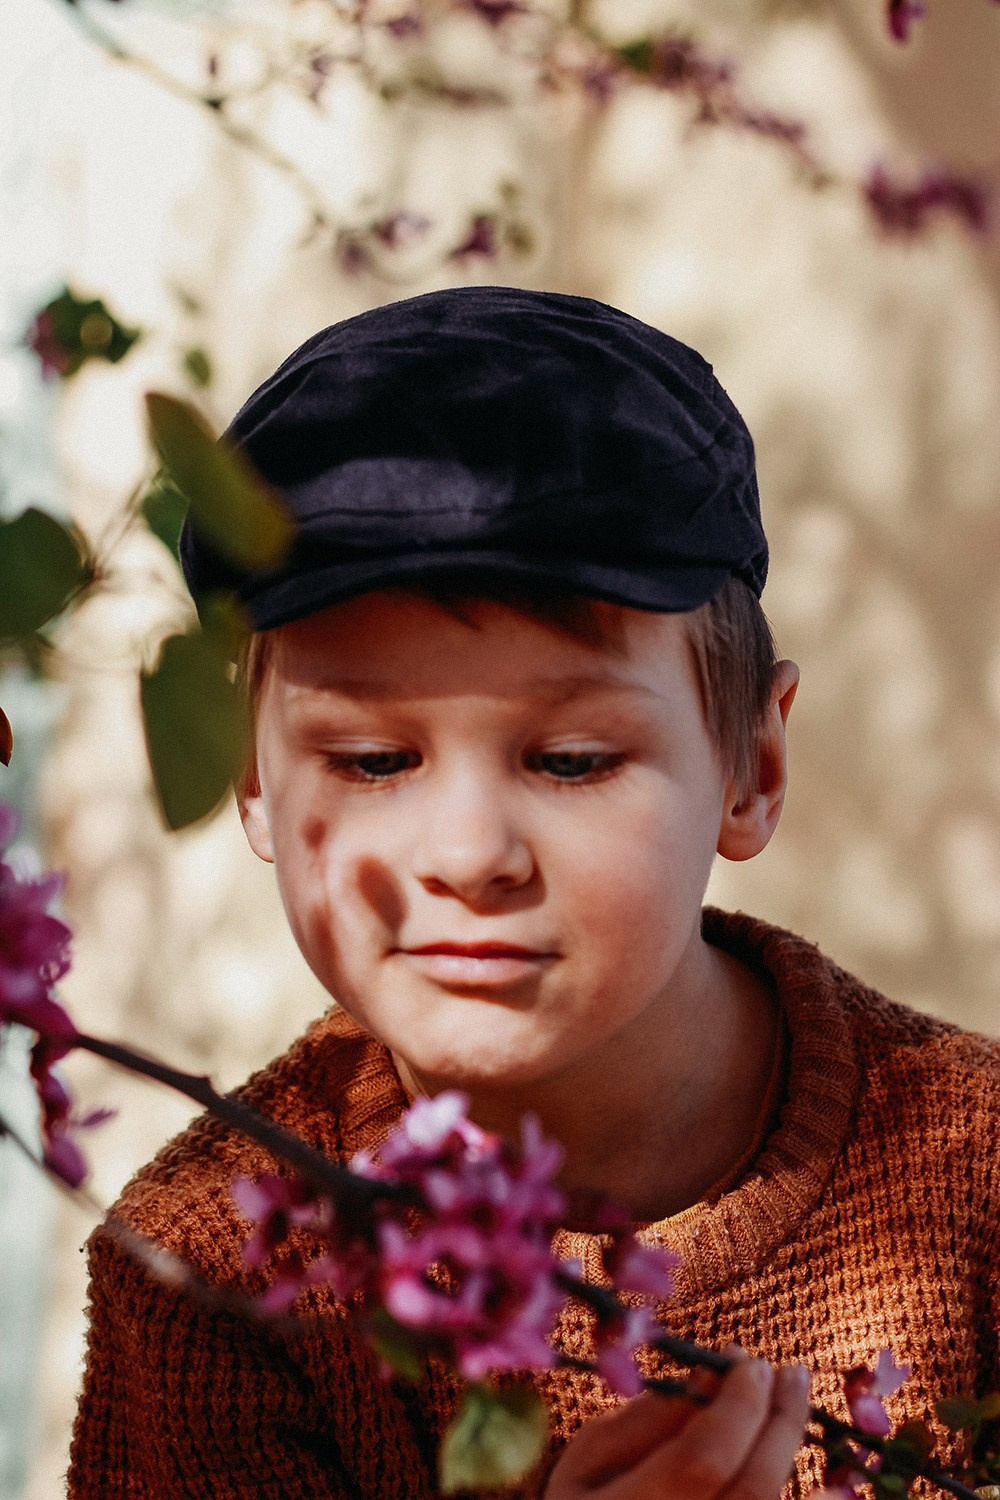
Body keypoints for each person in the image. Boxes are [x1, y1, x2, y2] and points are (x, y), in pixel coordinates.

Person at [68, 288, 999, 1499]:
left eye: (568, 761)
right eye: (371, 760)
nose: (467, 855)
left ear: (750, 772)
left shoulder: (973, 1174)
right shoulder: (213, 1280)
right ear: (253, 785)